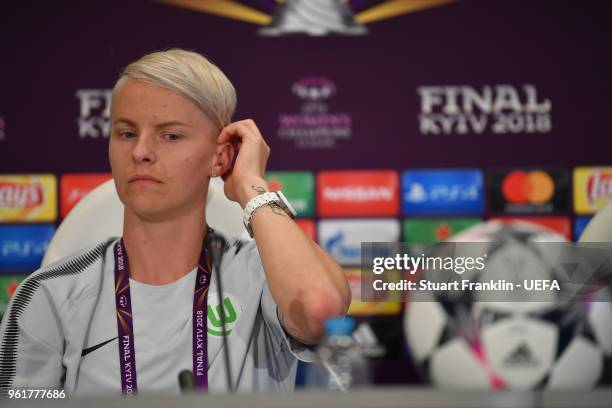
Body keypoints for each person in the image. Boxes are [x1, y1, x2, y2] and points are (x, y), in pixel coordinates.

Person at [0, 49, 350, 397]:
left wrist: (250, 186)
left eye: (170, 135)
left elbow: (320, 311)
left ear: (220, 156)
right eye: (126, 133)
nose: (141, 151)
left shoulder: (264, 276)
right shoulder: (49, 294)